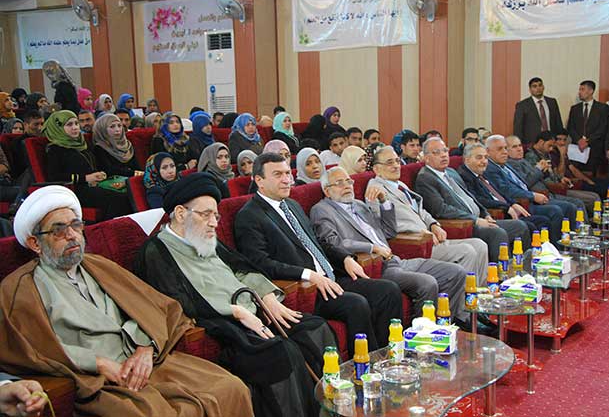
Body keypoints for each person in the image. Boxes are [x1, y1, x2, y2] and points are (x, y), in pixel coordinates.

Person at [2, 185, 252, 416]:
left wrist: (145, 347)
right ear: (35, 243)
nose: (72, 235)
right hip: (102, 380)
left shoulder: (99, 265)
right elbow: (32, 350)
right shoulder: (21, 289)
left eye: (76, 226)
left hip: (149, 362)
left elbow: (154, 306)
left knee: (231, 388)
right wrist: (98, 364)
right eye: (59, 230)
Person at [136, 173, 334, 417]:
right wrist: (236, 312)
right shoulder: (156, 251)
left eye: (216, 215)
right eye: (205, 215)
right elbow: (175, 302)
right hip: (223, 326)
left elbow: (241, 268)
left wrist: (267, 296)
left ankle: (331, 408)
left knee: (314, 328)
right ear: (180, 213)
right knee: (281, 353)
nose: (213, 223)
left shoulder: (206, 237)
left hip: (254, 308)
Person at [234, 152, 403, 357]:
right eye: (278, 174)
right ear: (259, 180)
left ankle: (389, 356)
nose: (286, 179)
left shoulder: (292, 205)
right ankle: (364, 364)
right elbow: (260, 263)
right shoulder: (249, 216)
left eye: (287, 173)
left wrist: (344, 258)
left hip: (330, 277)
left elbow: (318, 241)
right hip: (306, 290)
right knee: (356, 304)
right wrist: (308, 274)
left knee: (388, 290)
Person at [311, 166, 477, 329]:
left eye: (348, 181)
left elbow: (389, 232)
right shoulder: (322, 209)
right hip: (377, 266)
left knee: (455, 273)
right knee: (427, 283)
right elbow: (332, 242)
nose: (347, 186)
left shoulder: (359, 205)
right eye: (339, 183)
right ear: (327, 191)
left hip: (395, 260)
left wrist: (384, 202)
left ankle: (444, 327)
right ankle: (421, 337)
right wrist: (372, 247)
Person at [367, 146, 489, 282]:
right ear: (376, 169)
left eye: (397, 161)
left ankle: (479, 290)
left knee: (480, 245)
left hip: (430, 237)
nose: (396, 166)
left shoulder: (400, 185)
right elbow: (382, 226)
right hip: (415, 243)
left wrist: (433, 224)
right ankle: (466, 293)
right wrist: (421, 233)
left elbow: (420, 211)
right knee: (467, 251)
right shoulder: (375, 189)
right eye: (390, 163)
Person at [416, 137, 531, 262]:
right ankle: (501, 271)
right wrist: (475, 220)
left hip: (478, 219)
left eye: (445, 151)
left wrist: (485, 214)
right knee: (497, 233)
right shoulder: (425, 178)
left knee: (520, 226)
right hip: (463, 225)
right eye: (437, 152)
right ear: (426, 158)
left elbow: (470, 197)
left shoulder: (451, 172)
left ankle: (524, 266)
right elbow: (440, 210)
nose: (443, 155)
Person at [44, 110, 132, 219]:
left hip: (95, 184)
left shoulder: (82, 143)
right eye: (69, 125)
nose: (75, 127)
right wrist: (85, 178)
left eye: (76, 123)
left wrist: (99, 174)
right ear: (59, 128)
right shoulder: (55, 149)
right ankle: (111, 228)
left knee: (129, 193)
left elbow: (92, 165)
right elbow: (54, 177)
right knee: (118, 199)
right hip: (75, 189)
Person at [483, 135, 565, 242]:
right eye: (500, 149)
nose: (504, 152)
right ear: (488, 152)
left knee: (562, 208)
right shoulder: (490, 168)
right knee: (554, 212)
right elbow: (506, 191)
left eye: (505, 148)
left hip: (528, 198)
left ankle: (557, 245)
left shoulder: (505, 164)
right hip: (519, 203)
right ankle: (552, 247)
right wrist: (532, 195)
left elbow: (522, 183)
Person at [458, 143, 550, 235]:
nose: (484, 161)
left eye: (486, 157)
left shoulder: (481, 173)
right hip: (495, 214)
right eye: (479, 158)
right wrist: (506, 207)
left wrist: (512, 203)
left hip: (507, 209)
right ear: (467, 160)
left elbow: (499, 192)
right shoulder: (465, 176)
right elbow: (479, 200)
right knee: (529, 226)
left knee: (541, 221)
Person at [506, 135, 584, 227]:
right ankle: (572, 232)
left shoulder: (523, 161)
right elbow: (525, 182)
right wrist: (538, 169)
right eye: (514, 147)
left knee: (575, 203)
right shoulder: (511, 164)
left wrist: (549, 172)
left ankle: (579, 231)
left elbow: (540, 178)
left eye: (520, 145)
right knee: (568, 207)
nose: (519, 149)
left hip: (547, 193)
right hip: (534, 199)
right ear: (506, 150)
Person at [525, 131, 600, 213]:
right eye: (549, 145)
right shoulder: (531, 156)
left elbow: (552, 172)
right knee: (583, 201)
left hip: (558, 186)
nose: (551, 149)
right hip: (549, 190)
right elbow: (539, 178)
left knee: (595, 196)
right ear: (541, 142)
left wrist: (561, 178)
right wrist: (556, 184)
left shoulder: (546, 154)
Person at [566, 80, 609, 175]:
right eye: (579, 89)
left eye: (582, 89)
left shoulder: (602, 108)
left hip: (595, 148)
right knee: (577, 175)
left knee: (593, 176)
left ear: (591, 91)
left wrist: (587, 141)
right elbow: (570, 127)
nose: (579, 92)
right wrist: (579, 140)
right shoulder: (575, 108)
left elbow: (603, 128)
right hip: (577, 149)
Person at [552, 130, 609, 198]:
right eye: (559, 139)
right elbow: (560, 175)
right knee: (601, 189)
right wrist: (562, 156)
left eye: (564, 140)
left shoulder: (562, 152)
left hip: (578, 180)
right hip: (569, 184)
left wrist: (588, 181)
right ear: (553, 141)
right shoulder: (552, 154)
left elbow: (573, 169)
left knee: (607, 183)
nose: (562, 143)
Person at [514, 77, 564, 144]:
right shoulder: (522, 105)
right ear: (530, 89)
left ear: (543, 87)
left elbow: (558, 123)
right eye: (534, 86)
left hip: (552, 142)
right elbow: (518, 128)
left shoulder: (552, 102)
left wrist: (559, 140)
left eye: (540, 85)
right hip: (532, 143)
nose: (538, 88)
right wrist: (520, 144)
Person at [92, 113, 142, 177]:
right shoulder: (99, 148)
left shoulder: (127, 145)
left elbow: (136, 166)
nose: (117, 130)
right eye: (112, 126)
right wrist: (134, 173)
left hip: (132, 178)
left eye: (119, 126)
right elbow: (110, 170)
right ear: (103, 129)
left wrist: (140, 174)